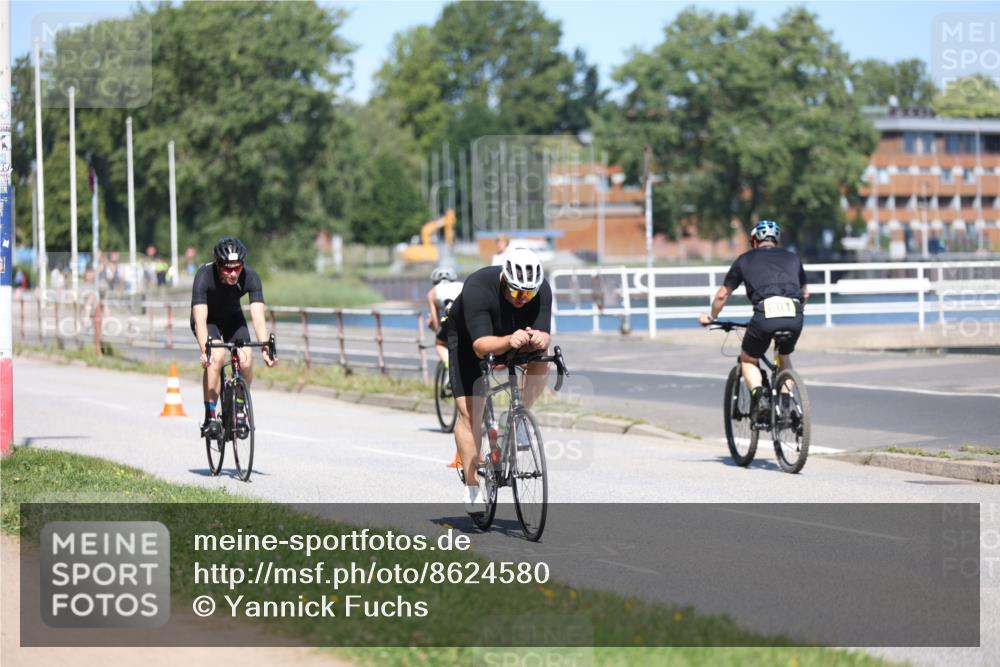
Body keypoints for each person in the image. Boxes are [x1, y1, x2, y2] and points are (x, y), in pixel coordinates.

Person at [446, 247, 552, 514]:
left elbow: (544, 334)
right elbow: (481, 346)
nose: (522, 299)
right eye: (517, 292)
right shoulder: (478, 288)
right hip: (469, 341)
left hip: (509, 335)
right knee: (470, 415)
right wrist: (507, 341)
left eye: (529, 294)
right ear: (504, 281)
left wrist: (541, 338)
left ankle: (517, 418)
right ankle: (471, 486)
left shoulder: (540, 291)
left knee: (542, 361)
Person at [698, 220, 809, 419]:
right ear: (776, 240)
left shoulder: (744, 260)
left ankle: (760, 398)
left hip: (764, 315)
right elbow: (805, 295)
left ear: (754, 241)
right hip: (794, 313)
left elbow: (722, 295)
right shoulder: (793, 258)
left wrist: (711, 317)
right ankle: (785, 405)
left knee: (748, 359)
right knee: (784, 357)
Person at [191, 237, 276, 438]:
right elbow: (200, 321)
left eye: (237, 268)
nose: (233, 273)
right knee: (217, 357)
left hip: (232, 318)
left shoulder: (251, 277)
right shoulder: (204, 276)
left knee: (246, 359)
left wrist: (265, 348)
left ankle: (239, 407)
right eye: (228, 269)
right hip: (208, 320)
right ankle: (211, 415)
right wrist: (206, 351)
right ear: (218, 265)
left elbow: (258, 318)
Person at [426, 266, 463, 366]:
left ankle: (449, 365)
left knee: (440, 343)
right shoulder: (461, 285)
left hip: (452, 318)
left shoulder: (432, 293)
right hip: (470, 318)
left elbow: (436, 323)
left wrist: (435, 328)